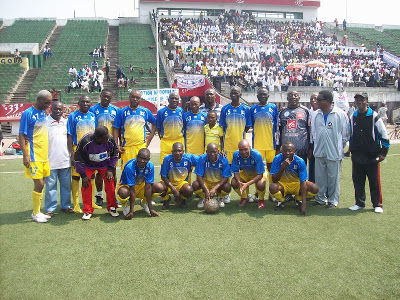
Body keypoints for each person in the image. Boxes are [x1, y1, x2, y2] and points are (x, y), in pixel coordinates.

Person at [348, 93, 390, 213]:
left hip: (372, 156)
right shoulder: (353, 116)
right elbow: (351, 135)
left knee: (374, 181)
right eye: (357, 100)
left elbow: (384, 135)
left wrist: (383, 153)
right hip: (357, 156)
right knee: (358, 180)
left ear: (367, 101)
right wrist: (351, 149)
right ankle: (359, 203)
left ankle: (377, 204)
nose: (359, 102)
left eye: (362, 100)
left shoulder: (374, 116)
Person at [311, 90, 350, 208]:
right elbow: (314, 133)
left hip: (334, 152)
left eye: (319, 100)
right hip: (319, 151)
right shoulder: (316, 114)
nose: (316, 102)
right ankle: (320, 199)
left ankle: (333, 200)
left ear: (327, 101)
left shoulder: (340, 114)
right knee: (320, 177)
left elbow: (345, 134)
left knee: (333, 178)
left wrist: (339, 147)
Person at [19, 90, 53, 223]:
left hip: (44, 155)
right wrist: (25, 155)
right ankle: (35, 212)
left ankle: (38, 211)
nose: (48, 105)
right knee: (38, 183)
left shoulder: (43, 113)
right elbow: (22, 134)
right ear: (38, 100)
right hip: (33, 155)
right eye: (46, 103)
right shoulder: (27, 113)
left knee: (42, 183)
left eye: (50, 103)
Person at [74, 126, 119, 220]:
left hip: (104, 164)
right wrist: (83, 175)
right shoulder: (85, 141)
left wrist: (110, 169)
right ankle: (87, 210)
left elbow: (115, 154)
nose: (108, 139)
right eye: (105, 138)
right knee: (86, 185)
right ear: (97, 138)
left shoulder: (110, 139)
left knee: (109, 182)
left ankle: (112, 207)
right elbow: (77, 159)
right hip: (88, 165)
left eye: (107, 137)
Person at [269, 142, 319, 215]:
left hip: (297, 185)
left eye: (290, 151)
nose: (287, 153)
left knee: (315, 188)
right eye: (285, 151)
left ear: (294, 152)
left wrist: (304, 205)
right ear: (281, 151)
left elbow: (303, 182)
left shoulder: (300, 161)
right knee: (272, 187)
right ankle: (282, 200)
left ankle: (298, 199)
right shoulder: (277, 159)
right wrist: (282, 168)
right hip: (283, 185)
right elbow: (274, 180)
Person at [67, 95, 97, 213]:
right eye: (83, 101)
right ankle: (76, 204)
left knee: (92, 175)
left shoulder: (93, 115)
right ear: (78, 103)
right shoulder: (72, 116)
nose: (85, 103)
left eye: (88, 102)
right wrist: (71, 153)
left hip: (91, 150)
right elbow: (69, 136)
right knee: (76, 176)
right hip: (78, 150)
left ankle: (91, 202)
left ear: (90, 104)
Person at [89, 89, 119, 206]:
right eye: (104, 96)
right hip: (97, 145)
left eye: (109, 97)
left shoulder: (116, 110)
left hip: (111, 146)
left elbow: (118, 129)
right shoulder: (93, 109)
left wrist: (117, 144)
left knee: (112, 171)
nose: (106, 98)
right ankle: (99, 195)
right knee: (98, 172)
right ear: (100, 95)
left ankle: (113, 195)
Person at [113, 89, 156, 170]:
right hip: (126, 148)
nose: (135, 99)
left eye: (137, 97)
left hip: (141, 146)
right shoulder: (122, 112)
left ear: (140, 99)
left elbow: (155, 123)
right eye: (133, 97)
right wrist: (117, 145)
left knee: (141, 172)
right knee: (126, 172)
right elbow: (116, 128)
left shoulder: (145, 111)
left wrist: (150, 137)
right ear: (129, 97)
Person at [44, 101, 73, 216]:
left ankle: (66, 206)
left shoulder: (66, 122)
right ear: (51, 108)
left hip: (65, 160)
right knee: (50, 186)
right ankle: (50, 208)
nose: (58, 111)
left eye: (60, 109)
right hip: (50, 160)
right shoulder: (45, 122)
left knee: (66, 185)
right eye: (56, 108)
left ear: (63, 110)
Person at [116, 148, 163, 219]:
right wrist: (132, 211)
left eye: (145, 159)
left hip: (141, 186)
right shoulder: (130, 167)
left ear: (148, 159)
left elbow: (148, 187)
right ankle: (124, 205)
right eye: (140, 158)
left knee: (159, 187)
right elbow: (132, 189)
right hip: (127, 187)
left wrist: (151, 209)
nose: (142, 161)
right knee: (123, 192)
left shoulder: (150, 166)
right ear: (137, 156)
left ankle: (144, 202)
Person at [231, 139, 268, 209]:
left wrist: (247, 184)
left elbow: (260, 174)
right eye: (241, 150)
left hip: (258, 173)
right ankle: (244, 197)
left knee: (260, 184)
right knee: (234, 182)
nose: (243, 152)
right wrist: (239, 183)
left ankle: (261, 200)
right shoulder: (236, 155)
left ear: (249, 148)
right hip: (246, 172)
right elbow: (235, 171)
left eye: (245, 149)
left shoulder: (256, 154)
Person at [159, 142, 198, 209]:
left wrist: (217, 154)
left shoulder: (189, 158)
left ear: (183, 151)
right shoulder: (167, 159)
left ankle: (183, 199)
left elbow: (203, 159)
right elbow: (163, 177)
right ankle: (166, 199)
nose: (177, 153)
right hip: (169, 183)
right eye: (175, 151)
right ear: (172, 152)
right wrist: (174, 190)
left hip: (181, 184)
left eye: (179, 151)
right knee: (158, 187)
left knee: (189, 189)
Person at [192, 143, 232, 208]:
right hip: (206, 183)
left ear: (218, 152)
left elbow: (226, 177)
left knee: (227, 187)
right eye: (210, 152)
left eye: (214, 152)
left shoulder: (223, 159)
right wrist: (206, 190)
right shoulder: (202, 158)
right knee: (195, 184)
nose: (212, 154)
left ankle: (220, 198)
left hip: (218, 184)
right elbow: (199, 176)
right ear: (206, 152)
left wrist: (214, 188)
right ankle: (204, 197)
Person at [250, 87, 278, 176]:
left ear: (268, 96)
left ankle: (272, 188)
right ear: (257, 96)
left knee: (271, 167)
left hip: (271, 144)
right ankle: (260, 190)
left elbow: (277, 125)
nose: (262, 96)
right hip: (257, 144)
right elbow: (251, 124)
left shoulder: (273, 107)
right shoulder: (253, 109)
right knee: (258, 168)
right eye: (260, 94)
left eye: (264, 94)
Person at [277, 91, 311, 164]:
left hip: (302, 149)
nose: (293, 97)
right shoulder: (282, 112)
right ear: (287, 98)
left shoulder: (305, 111)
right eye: (290, 95)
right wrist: (278, 147)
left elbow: (309, 130)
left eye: (295, 95)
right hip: (286, 150)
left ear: (299, 97)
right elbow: (279, 131)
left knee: (301, 172)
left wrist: (310, 147)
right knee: (287, 172)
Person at [219, 86, 251, 164]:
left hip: (240, 145)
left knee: (239, 167)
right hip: (228, 145)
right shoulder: (225, 109)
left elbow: (247, 126)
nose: (233, 95)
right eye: (232, 93)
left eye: (236, 93)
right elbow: (223, 126)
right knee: (228, 166)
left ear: (240, 95)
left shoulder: (246, 109)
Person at [156, 92, 184, 164]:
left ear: (179, 101)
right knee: (164, 164)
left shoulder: (181, 111)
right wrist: (163, 137)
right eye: (172, 98)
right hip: (166, 142)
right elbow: (158, 128)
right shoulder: (161, 112)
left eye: (176, 99)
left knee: (179, 165)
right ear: (168, 100)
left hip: (179, 141)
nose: (174, 100)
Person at [308, 92, 319, 183]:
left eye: (315, 98)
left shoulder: (323, 112)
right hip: (311, 143)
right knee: (312, 165)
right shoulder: (308, 112)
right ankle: (311, 187)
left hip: (321, 143)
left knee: (321, 166)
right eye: (311, 99)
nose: (313, 100)